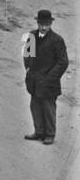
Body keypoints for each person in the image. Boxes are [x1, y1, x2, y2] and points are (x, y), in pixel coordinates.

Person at [23, 9, 68, 145]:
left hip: (49, 82)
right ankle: (39, 132)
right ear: (37, 23)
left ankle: (49, 134)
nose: (43, 27)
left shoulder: (57, 40)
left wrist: (50, 78)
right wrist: (29, 69)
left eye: (46, 24)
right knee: (35, 106)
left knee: (48, 108)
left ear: (50, 24)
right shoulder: (32, 36)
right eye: (41, 24)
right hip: (34, 80)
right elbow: (27, 54)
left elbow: (63, 62)